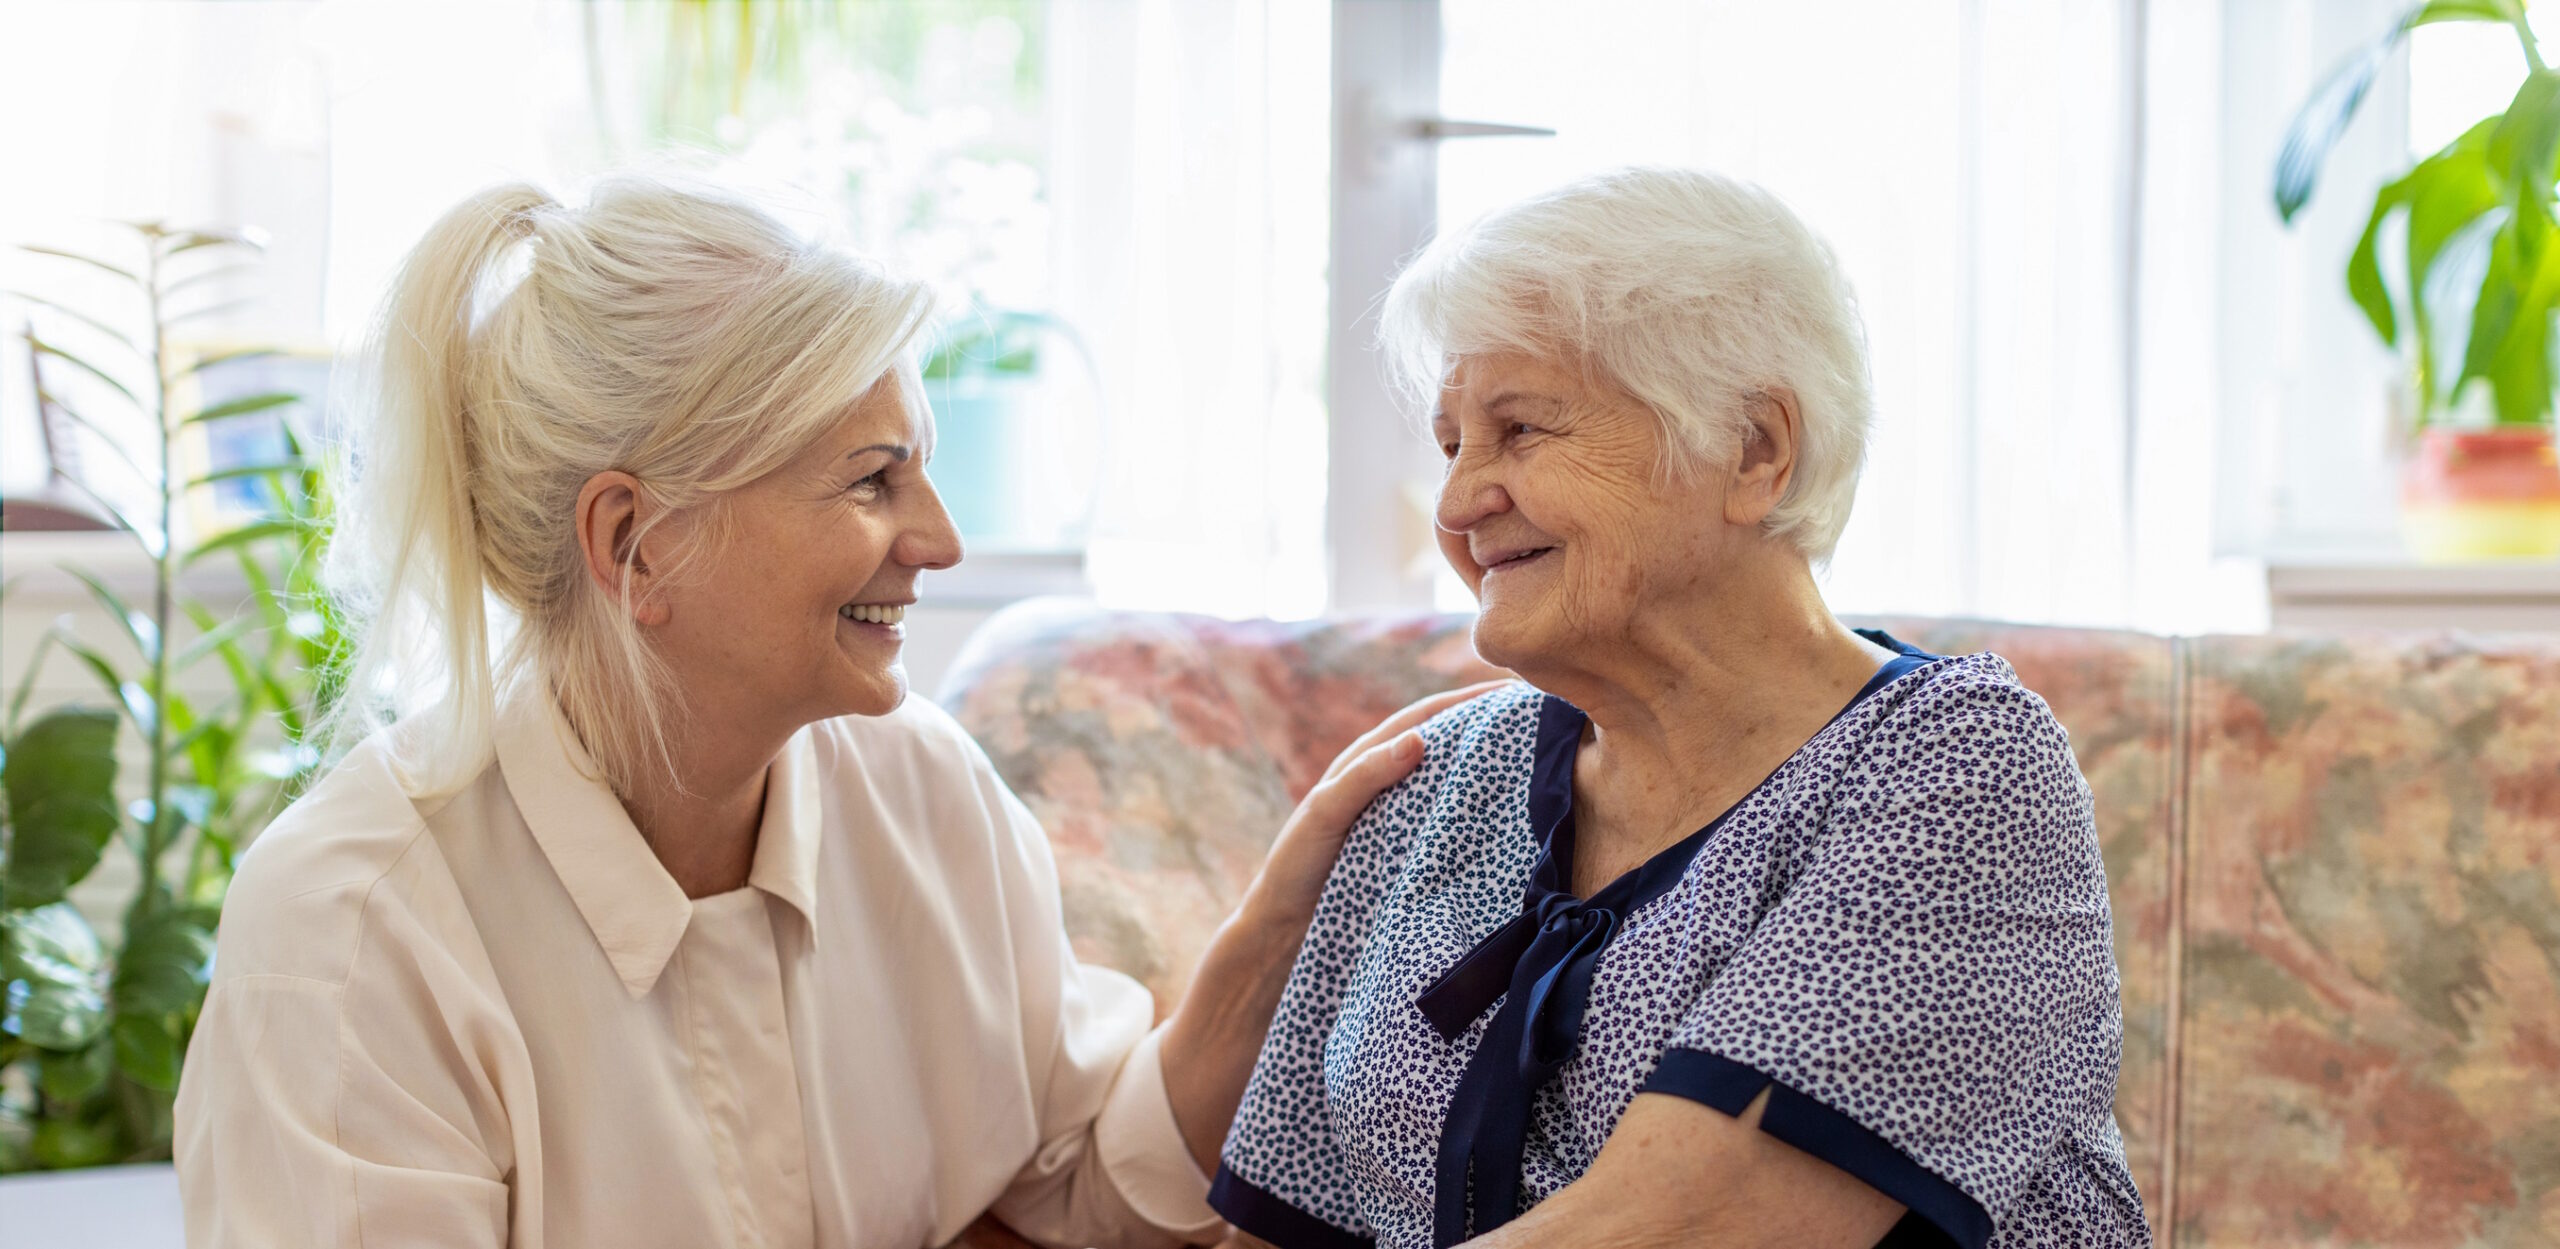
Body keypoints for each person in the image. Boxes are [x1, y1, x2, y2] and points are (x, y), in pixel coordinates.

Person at [171, 174, 1497, 1249]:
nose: (941, 538)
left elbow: (1085, 1178)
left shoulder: (917, 782)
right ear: (635, 544)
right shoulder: (350, 934)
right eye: (873, 480)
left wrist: (1279, 932)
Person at [1208, 167, 2148, 1249]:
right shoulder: (1433, 777)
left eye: (1520, 430)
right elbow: (1278, 1224)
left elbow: (1674, 1226)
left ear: (1754, 449)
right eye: (1452, 444)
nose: (1461, 504)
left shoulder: (1958, 768)